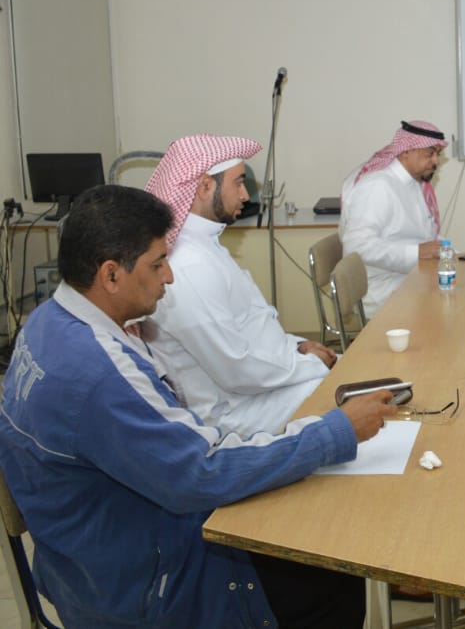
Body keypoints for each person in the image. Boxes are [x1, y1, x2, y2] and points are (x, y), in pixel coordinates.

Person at [0, 184, 396, 629]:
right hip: (143, 589)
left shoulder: (44, 324)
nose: (169, 277)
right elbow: (203, 472)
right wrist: (336, 431)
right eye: (157, 264)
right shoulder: (98, 374)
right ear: (111, 275)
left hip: (86, 563)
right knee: (333, 573)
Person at [144, 135, 336, 436]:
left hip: (257, 389)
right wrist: (310, 364)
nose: (246, 195)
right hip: (233, 412)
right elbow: (235, 369)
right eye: (238, 183)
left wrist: (296, 347)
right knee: (348, 392)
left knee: (358, 377)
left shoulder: (205, 245)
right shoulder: (187, 265)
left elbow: (251, 322)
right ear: (205, 186)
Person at [340, 120, 449, 317]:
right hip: (379, 289)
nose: (435, 161)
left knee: (457, 286)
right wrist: (417, 252)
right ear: (405, 151)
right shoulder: (378, 187)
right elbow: (356, 247)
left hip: (408, 277)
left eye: (437, 155)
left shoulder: (413, 184)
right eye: (429, 154)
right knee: (450, 300)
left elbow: (422, 235)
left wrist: (454, 253)